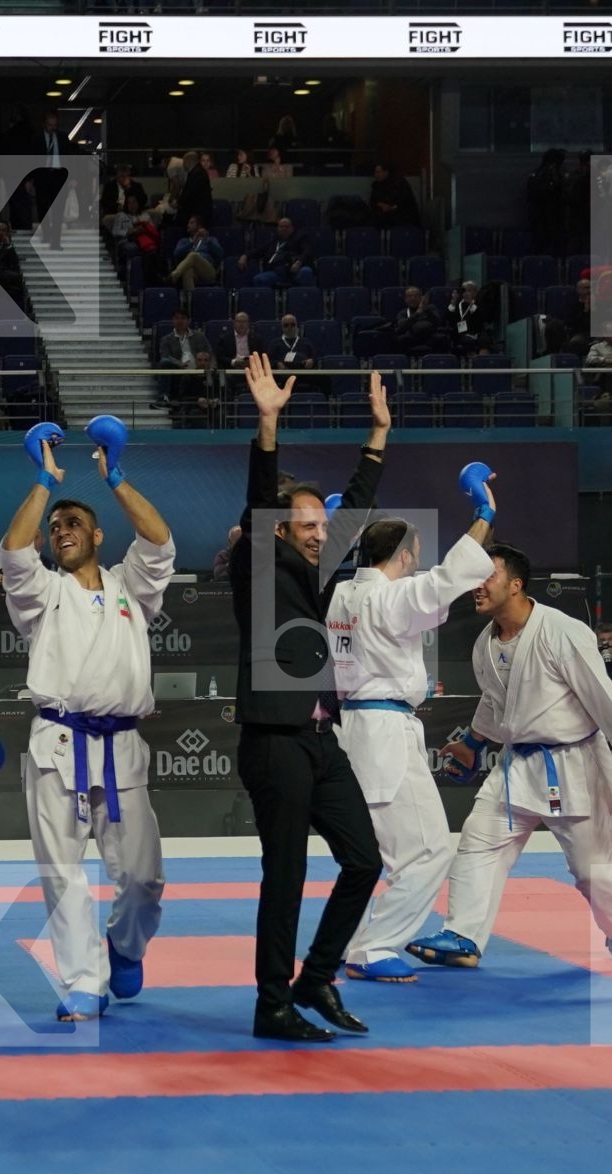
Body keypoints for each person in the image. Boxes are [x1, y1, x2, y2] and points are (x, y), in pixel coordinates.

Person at [228, 357, 388, 1043]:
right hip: (274, 738)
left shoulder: (314, 572)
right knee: (286, 874)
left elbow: (353, 510)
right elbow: (263, 497)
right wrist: (268, 423)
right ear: (278, 532)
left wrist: (377, 437)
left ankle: (316, 977)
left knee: (365, 860)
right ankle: (272, 1005)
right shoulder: (257, 565)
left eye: (322, 526)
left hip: (322, 738)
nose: (322, 533)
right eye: (308, 526)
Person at [411, 543, 612, 972]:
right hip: (516, 766)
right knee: (477, 845)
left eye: (488, 576)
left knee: (592, 874)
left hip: (575, 763)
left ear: (517, 584)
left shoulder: (562, 631)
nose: (478, 585)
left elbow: (604, 696)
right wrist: (472, 744)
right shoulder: (485, 644)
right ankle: (463, 934)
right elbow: (494, 704)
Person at [1, 425, 176, 1021]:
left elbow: (159, 540)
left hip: (121, 744)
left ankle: (125, 945)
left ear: (97, 536)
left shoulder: (133, 587)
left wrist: (116, 478)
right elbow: (13, 551)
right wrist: (45, 484)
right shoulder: (41, 592)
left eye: (72, 524)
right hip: (57, 740)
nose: (60, 532)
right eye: (55, 528)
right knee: (62, 872)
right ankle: (81, 980)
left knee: (144, 878)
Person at [328, 489, 496, 984]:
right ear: (403, 556)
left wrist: (341, 525)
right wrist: (483, 516)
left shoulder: (341, 594)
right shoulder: (392, 595)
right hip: (384, 730)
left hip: (353, 729)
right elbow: (450, 579)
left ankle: (349, 942)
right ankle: (373, 946)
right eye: (415, 555)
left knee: (374, 852)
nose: (418, 564)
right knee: (428, 851)